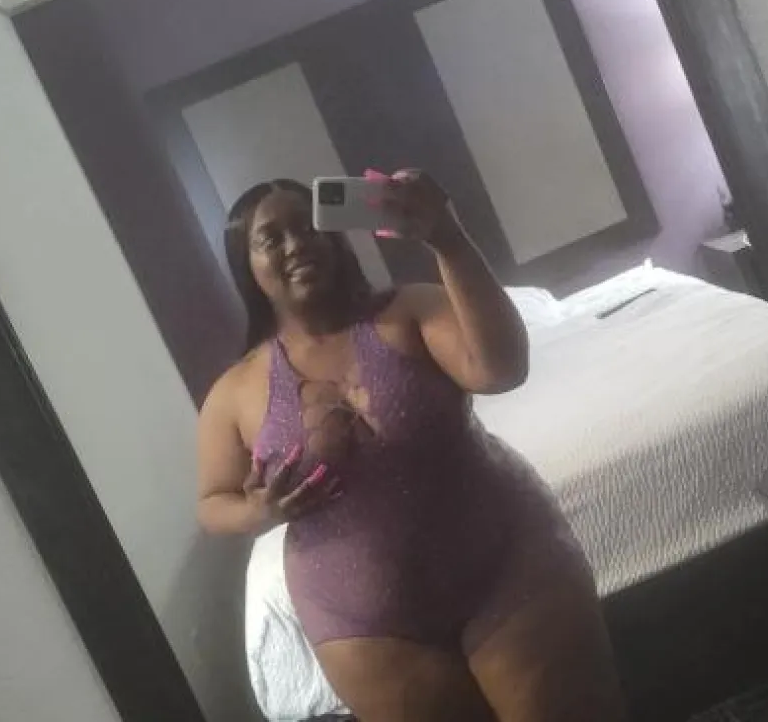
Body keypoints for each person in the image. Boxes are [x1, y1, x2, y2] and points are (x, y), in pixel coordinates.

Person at [197, 171, 626, 722]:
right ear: (248, 267)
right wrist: (258, 511)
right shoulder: (233, 392)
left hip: (507, 567)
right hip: (364, 626)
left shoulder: (411, 309)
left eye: (309, 226)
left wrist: (447, 238)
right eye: (270, 238)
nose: (296, 244)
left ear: (336, 236)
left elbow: (501, 369)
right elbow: (212, 502)